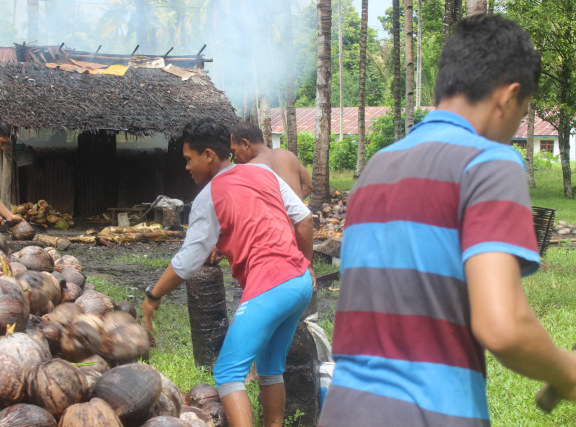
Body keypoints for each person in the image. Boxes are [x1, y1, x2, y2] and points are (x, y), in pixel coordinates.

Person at [318, 14, 576, 426]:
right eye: (522, 114)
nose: (515, 129)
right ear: (507, 98)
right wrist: (568, 372)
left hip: (343, 411)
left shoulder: (376, 168)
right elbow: (503, 326)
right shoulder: (489, 162)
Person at [142, 118, 314, 426]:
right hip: (299, 283)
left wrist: (153, 295)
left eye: (188, 159)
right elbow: (304, 219)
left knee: (227, 372)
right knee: (271, 367)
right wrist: (308, 265)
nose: (186, 167)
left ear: (208, 155)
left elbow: (188, 261)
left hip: (270, 286)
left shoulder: (209, 197)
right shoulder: (263, 173)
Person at [230, 122, 312, 200]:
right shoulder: (288, 155)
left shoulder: (252, 167)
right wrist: (295, 207)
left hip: (275, 215)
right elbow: (308, 186)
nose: (235, 158)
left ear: (245, 144)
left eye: (234, 151)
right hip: (300, 214)